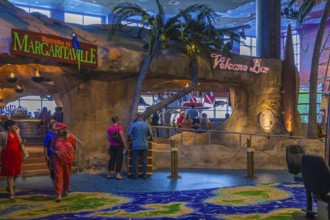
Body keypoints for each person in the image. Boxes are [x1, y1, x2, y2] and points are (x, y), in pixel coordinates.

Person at [51, 123, 77, 202]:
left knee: (67, 176)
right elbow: (51, 148)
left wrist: (73, 156)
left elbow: (76, 148)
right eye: (57, 130)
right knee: (58, 176)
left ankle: (65, 190)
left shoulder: (71, 137)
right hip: (57, 160)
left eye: (59, 129)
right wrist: (55, 152)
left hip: (68, 160)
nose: (58, 131)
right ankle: (58, 194)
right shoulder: (55, 138)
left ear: (64, 129)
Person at [0, 120, 25, 199]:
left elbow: (19, 143)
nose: (15, 126)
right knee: (10, 174)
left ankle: (9, 186)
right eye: (14, 125)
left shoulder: (16, 134)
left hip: (16, 156)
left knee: (17, 173)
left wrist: (23, 143)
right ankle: (11, 192)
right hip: (7, 156)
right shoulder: (3, 134)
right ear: (9, 127)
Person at [128, 112, 153, 179]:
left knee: (135, 160)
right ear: (143, 117)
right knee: (144, 160)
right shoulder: (147, 125)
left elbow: (129, 135)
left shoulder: (134, 125)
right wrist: (147, 138)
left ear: (137, 116)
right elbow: (151, 135)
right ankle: (144, 175)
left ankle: (134, 175)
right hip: (144, 145)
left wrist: (131, 139)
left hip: (135, 145)